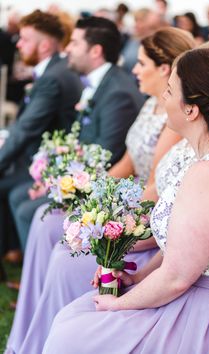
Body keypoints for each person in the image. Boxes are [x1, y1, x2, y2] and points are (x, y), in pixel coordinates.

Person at [5, 27, 195, 354]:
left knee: (65, 254)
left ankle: (53, 332)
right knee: (48, 220)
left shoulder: (173, 121)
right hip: (132, 201)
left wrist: (112, 224)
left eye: (142, 63)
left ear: (164, 69)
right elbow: (126, 161)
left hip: (146, 216)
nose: (133, 68)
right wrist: (90, 196)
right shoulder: (149, 107)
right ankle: (34, 319)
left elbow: (154, 186)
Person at [42, 48, 209, 354]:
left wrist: (118, 304)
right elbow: (182, 249)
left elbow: (177, 277)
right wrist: (138, 276)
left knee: (73, 333)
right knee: (73, 319)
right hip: (194, 289)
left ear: (191, 110)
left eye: (170, 91)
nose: (164, 99)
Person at [8, 16, 144, 252]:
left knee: (26, 208)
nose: (68, 48)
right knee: (20, 195)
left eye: (75, 43)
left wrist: (62, 184)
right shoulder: (99, 81)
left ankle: (42, 274)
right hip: (82, 172)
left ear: (95, 51)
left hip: (106, 185)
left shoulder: (117, 93)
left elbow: (107, 155)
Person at [0, 10, 82, 260]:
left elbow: (26, 129)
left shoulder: (52, 78)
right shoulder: (54, 71)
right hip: (40, 157)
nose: (18, 43)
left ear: (44, 45)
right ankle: (13, 250)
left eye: (24, 39)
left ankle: (24, 263)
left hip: (47, 165)